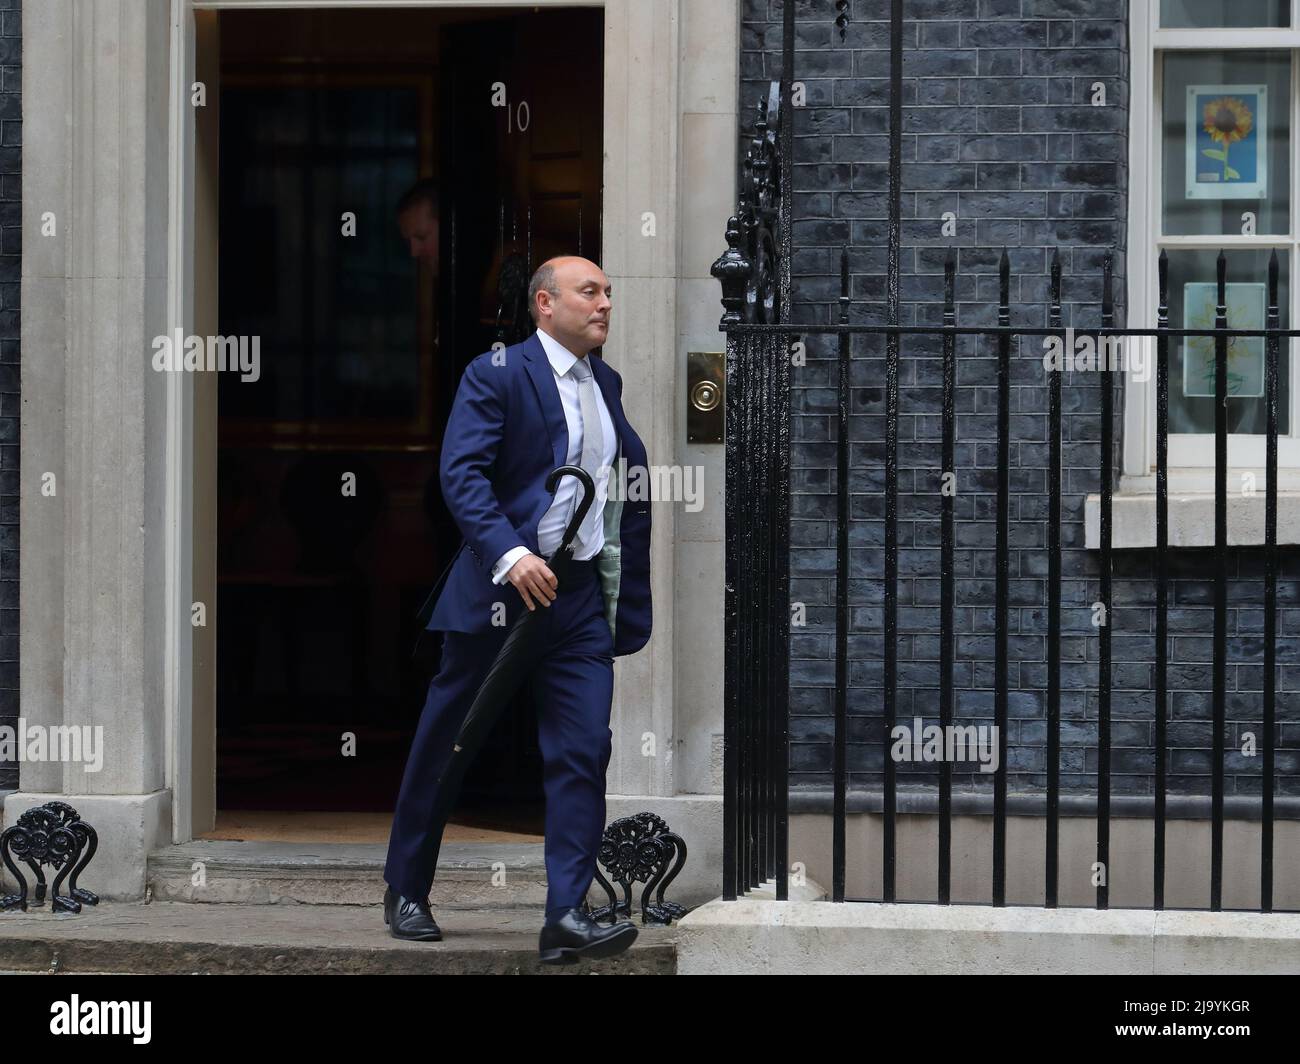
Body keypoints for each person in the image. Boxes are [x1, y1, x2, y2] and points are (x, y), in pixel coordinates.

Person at [382, 256, 653, 965]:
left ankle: (565, 914)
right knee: (450, 743)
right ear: (544, 304)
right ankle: (406, 887)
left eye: (608, 293)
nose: (603, 305)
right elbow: (461, 473)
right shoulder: (496, 372)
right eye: (589, 292)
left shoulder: (608, 383)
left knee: (583, 750)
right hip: (501, 594)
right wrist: (510, 554)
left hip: (579, 598)